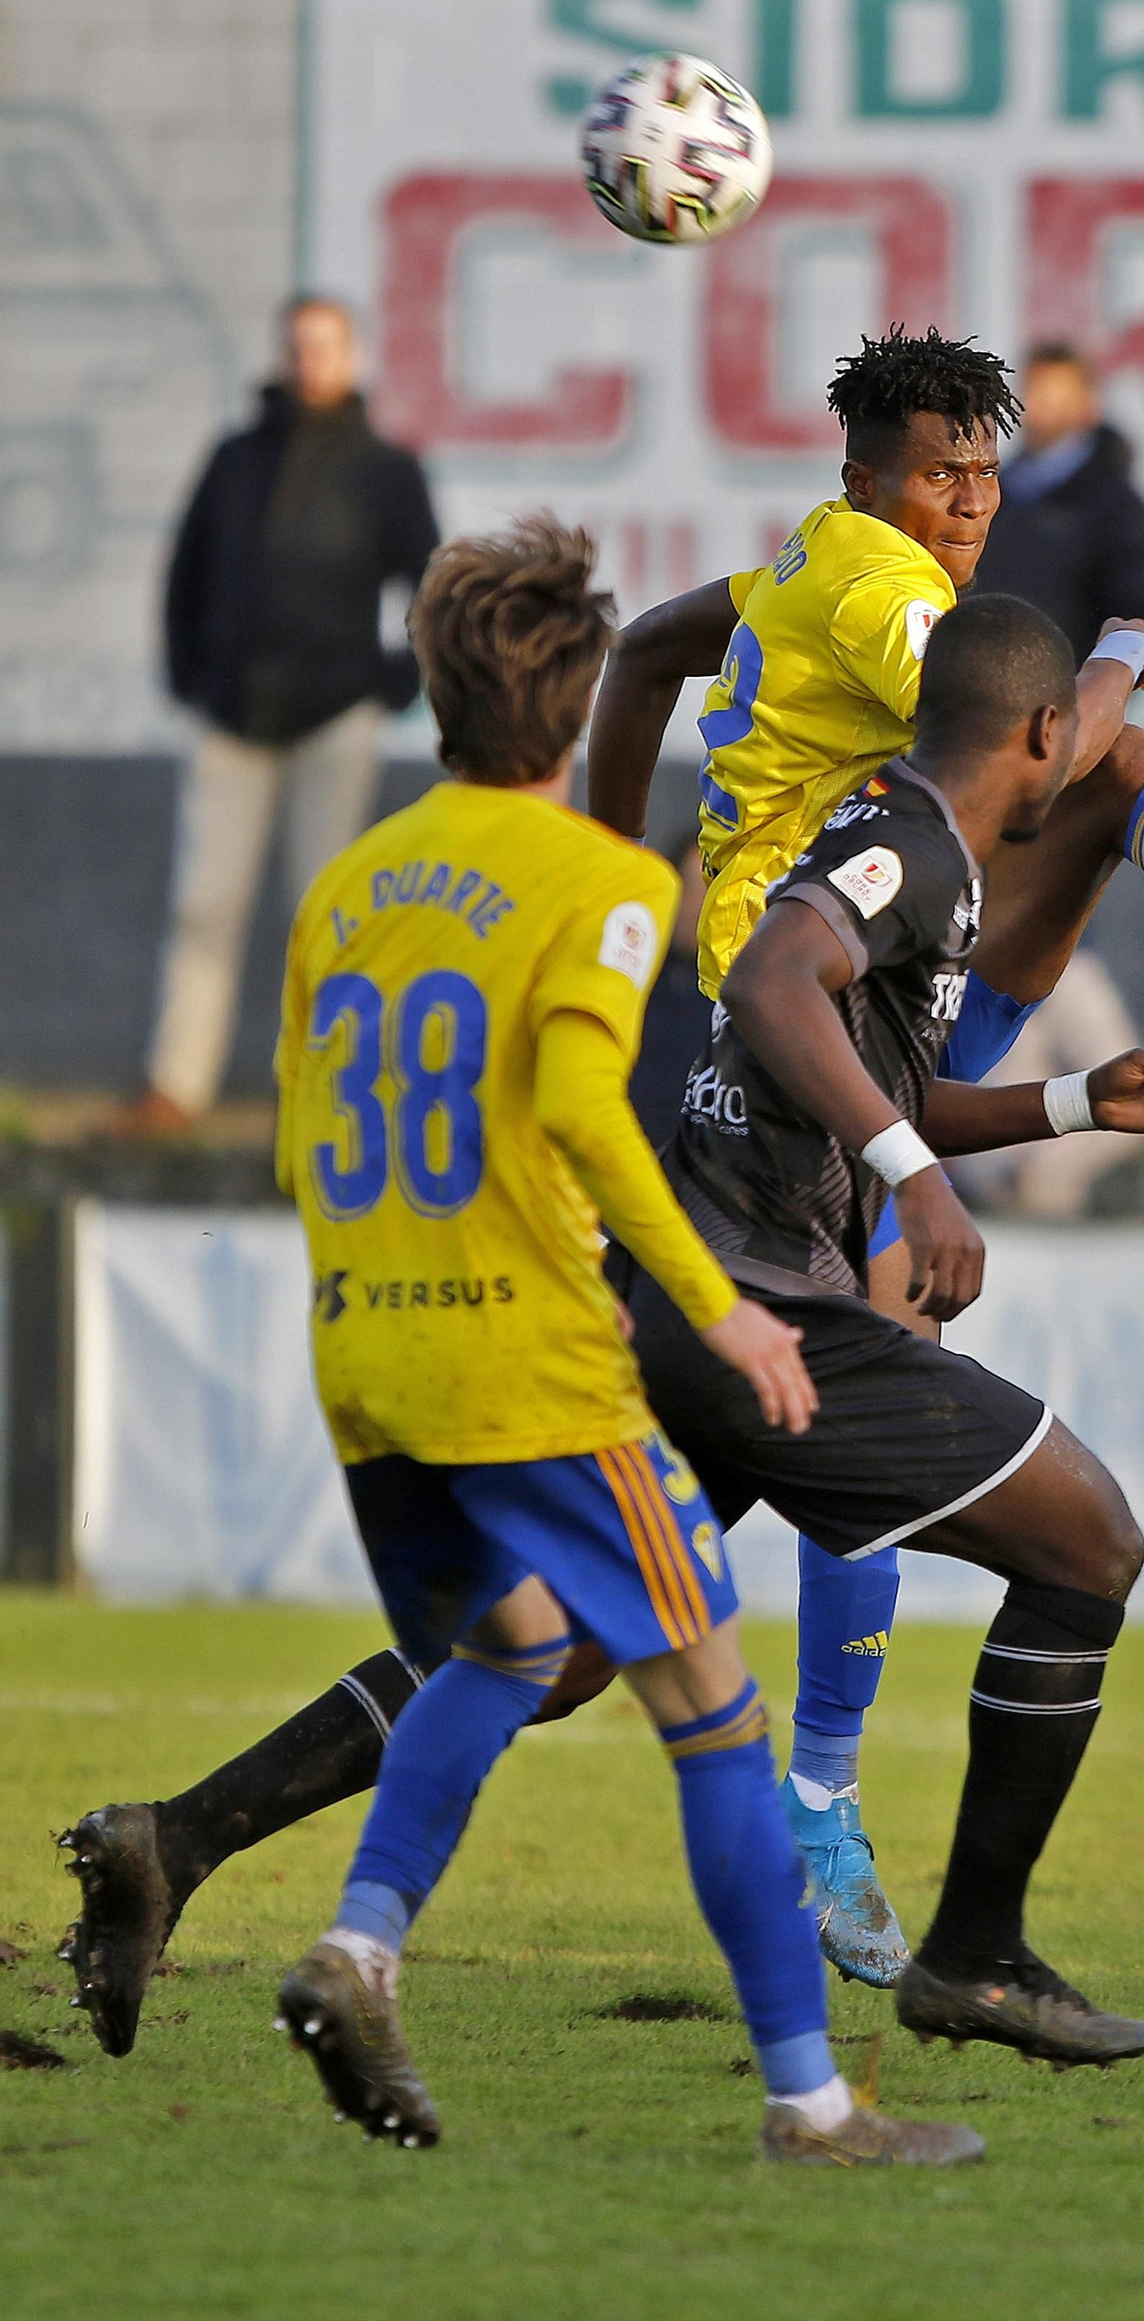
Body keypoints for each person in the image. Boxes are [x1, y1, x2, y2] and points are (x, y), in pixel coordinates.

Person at [58, 328, 1144, 2048]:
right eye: (939, 476)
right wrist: (1119, 654)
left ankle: (183, 1838)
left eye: (983, 476)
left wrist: (630, 877)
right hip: (806, 1033)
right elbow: (1025, 752)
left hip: (819, 1047)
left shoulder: (810, 575)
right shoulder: (884, 598)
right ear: (866, 482)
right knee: (1094, 802)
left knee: (552, 1640)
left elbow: (654, 651)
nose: (967, 506)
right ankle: (841, 1820)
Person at [263, 513, 982, 2165]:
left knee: (513, 1645)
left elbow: (302, 1139)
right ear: (579, 705)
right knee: (714, 1701)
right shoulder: (602, 881)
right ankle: (811, 2106)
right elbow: (590, 1112)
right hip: (532, 1367)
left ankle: (361, 1946)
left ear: (436, 694)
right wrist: (722, 1310)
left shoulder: (347, 884)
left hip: (366, 1360)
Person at [617, 591, 1144, 2067]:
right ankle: (971, 1952)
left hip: (715, 1304)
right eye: (1069, 740)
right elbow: (771, 980)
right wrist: (914, 1180)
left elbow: (871, 1064)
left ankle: (180, 1839)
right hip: (769, 1306)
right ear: (1038, 736)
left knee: (546, 1646)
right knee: (1089, 1545)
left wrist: (1078, 1101)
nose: (1079, 761)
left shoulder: (913, 836)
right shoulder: (913, 842)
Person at [118, 296, 439, 1135]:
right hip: (231, 717)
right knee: (203, 906)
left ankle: (328, 1093)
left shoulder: (384, 469)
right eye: (299, 347)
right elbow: (186, 571)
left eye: (326, 347)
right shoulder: (235, 460)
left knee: (327, 912)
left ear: (353, 357)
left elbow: (432, 588)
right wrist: (190, 675)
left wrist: (393, 681)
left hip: (334, 716)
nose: (310, 363)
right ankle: (176, 1088)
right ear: (282, 355)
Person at [974, 341, 1144, 659]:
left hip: (1066, 685)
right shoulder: (989, 494)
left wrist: (1088, 685)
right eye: (1032, 391)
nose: (1037, 407)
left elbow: (1133, 625)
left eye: (1054, 396)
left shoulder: (1119, 509)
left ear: (1088, 404)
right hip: (986, 678)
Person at [951, 953, 1144, 1219]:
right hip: (924, 1192)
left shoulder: (1071, 981)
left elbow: (1128, 1101)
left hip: (1028, 1211)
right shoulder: (935, 964)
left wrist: (1032, 1171)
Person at [628, 831, 710, 1149]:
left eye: (714, 890)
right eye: (694, 889)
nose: (702, 907)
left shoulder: (744, 1001)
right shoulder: (633, 978)